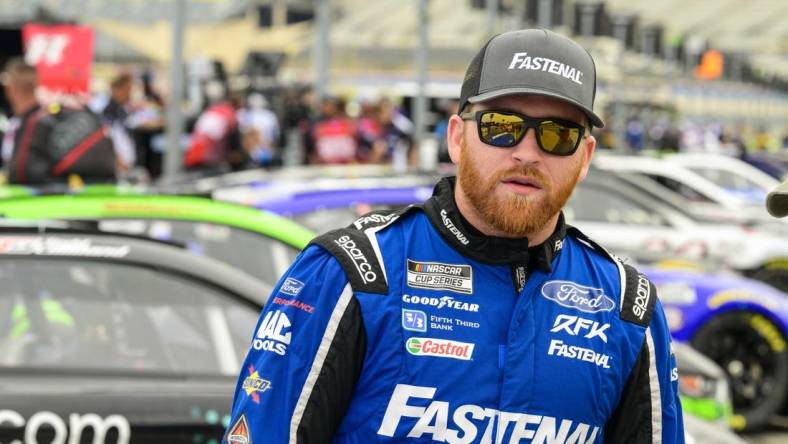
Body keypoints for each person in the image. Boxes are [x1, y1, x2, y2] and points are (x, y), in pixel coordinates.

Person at [225, 29, 683, 443]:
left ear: (584, 157)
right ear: (457, 138)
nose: (527, 152)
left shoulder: (628, 306)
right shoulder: (355, 272)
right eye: (500, 127)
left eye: (557, 135)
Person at [1, 59, 115, 185]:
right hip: (89, 191)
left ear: (11, 88)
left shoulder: (33, 123)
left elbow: (21, 174)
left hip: (36, 197)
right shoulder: (51, 117)